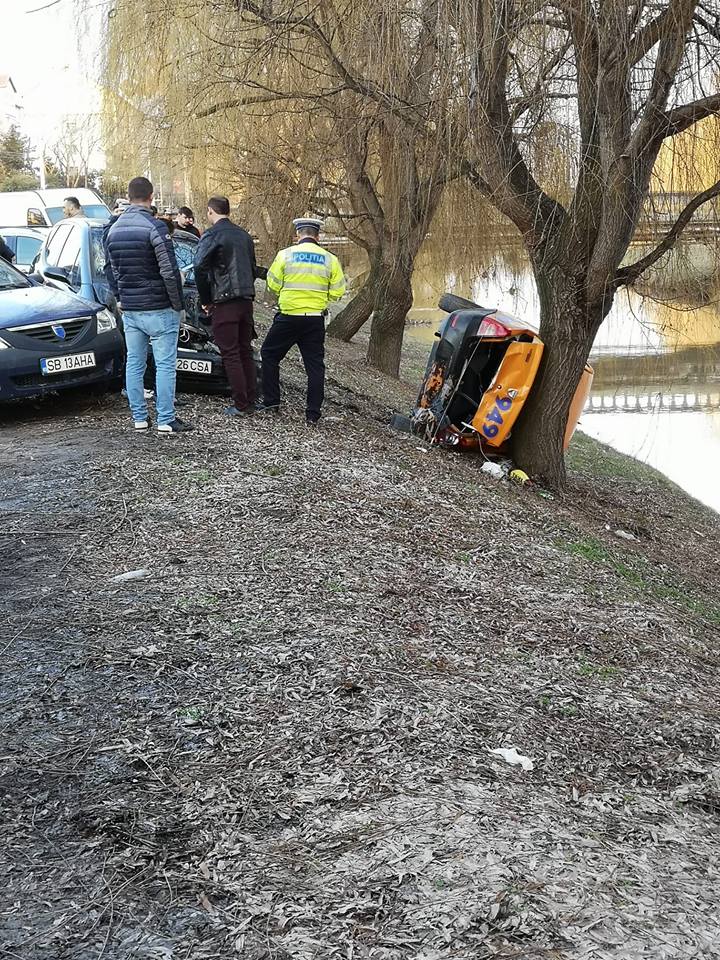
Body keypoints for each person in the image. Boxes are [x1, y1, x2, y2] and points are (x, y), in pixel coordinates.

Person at [105, 176, 192, 435]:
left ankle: (139, 418)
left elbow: (110, 269)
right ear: (151, 197)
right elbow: (169, 270)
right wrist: (178, 304)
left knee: (135, 363)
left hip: (130, 308)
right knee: (165, 364)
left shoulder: (114, 229)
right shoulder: (155, 227)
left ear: (129, 196)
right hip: (159, 307)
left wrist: (120, 297)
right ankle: (166, 419)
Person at [261, 217, 345, 424]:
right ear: (317, 236)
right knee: (315, 367)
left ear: (298, 235)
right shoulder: (330, 259)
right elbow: (338, 292)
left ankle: (272, 403)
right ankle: (312, 414)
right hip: (314, 320)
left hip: (288, 317)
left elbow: (272, 284)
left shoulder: (285, 255)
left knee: (269, 355)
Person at [193, 196, 264, 415]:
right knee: (244, 351)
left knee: (230, 353)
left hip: (224, 300)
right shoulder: (244, 236)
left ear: (210, 211)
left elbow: (198, 268)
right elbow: (251, 267)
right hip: (245, 300)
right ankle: (251, 399)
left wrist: (206, 299)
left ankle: (241, 404)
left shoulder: (212, 235)